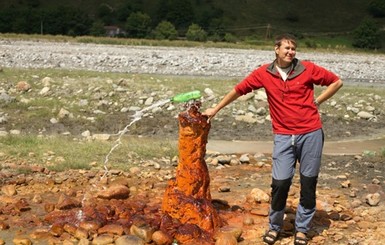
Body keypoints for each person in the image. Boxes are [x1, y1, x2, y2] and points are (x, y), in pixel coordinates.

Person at [203, 33, 343, 245]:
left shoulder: (307, 68)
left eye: (293, 49)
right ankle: (275, 226)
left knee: (308, 183)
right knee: (280, 183)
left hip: (311, 133)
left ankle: (302, 230)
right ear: (276, 49)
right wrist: (216, 108)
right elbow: (239, 90)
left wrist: (317, 102)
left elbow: (336, 82)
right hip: (284, 136)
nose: (290, 52)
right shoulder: (264, 73)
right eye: (286, 48)